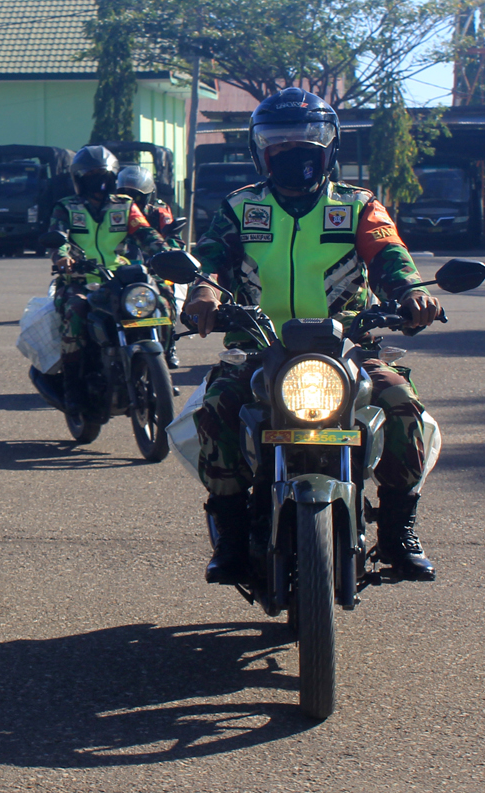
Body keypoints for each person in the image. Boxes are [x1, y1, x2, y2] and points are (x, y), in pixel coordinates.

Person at [185, 87, 443, 584]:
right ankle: (232, 536)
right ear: (260, 150)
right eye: (278, 142)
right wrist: (203, 292)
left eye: (306, 140)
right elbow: (211, 260)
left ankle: (397, 531)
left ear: (330, 146)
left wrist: (411, 293)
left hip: (348, 346)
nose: (292, 151)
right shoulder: (241, 207)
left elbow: (389, 255)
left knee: (402, 404)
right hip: (260, 345)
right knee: (216, 408)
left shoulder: (357, 205)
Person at [48, 146, 167, 416]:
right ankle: (73, 389)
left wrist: (165, 254)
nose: (97, 180)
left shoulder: (125, 205)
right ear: (78, 178)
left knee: (157, 302)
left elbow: (146, 234)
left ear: (113, 176)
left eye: (102, 174)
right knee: (76, 311)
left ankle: (161, 365)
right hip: (77, 280)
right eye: (89, 175)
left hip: (118, 277)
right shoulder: (67, 207)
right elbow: (58, 237)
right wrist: (62, 257)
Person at [116, 164, 183, 368]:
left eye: (136, 195)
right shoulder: (113, 210)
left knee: (167, 297)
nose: (131, 200)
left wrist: (170, 253)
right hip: (119, 269)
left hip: (154, 269)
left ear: (148, 195)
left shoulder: (159, 212)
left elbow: (172, 238)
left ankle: (168, 347)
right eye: (125, 193)